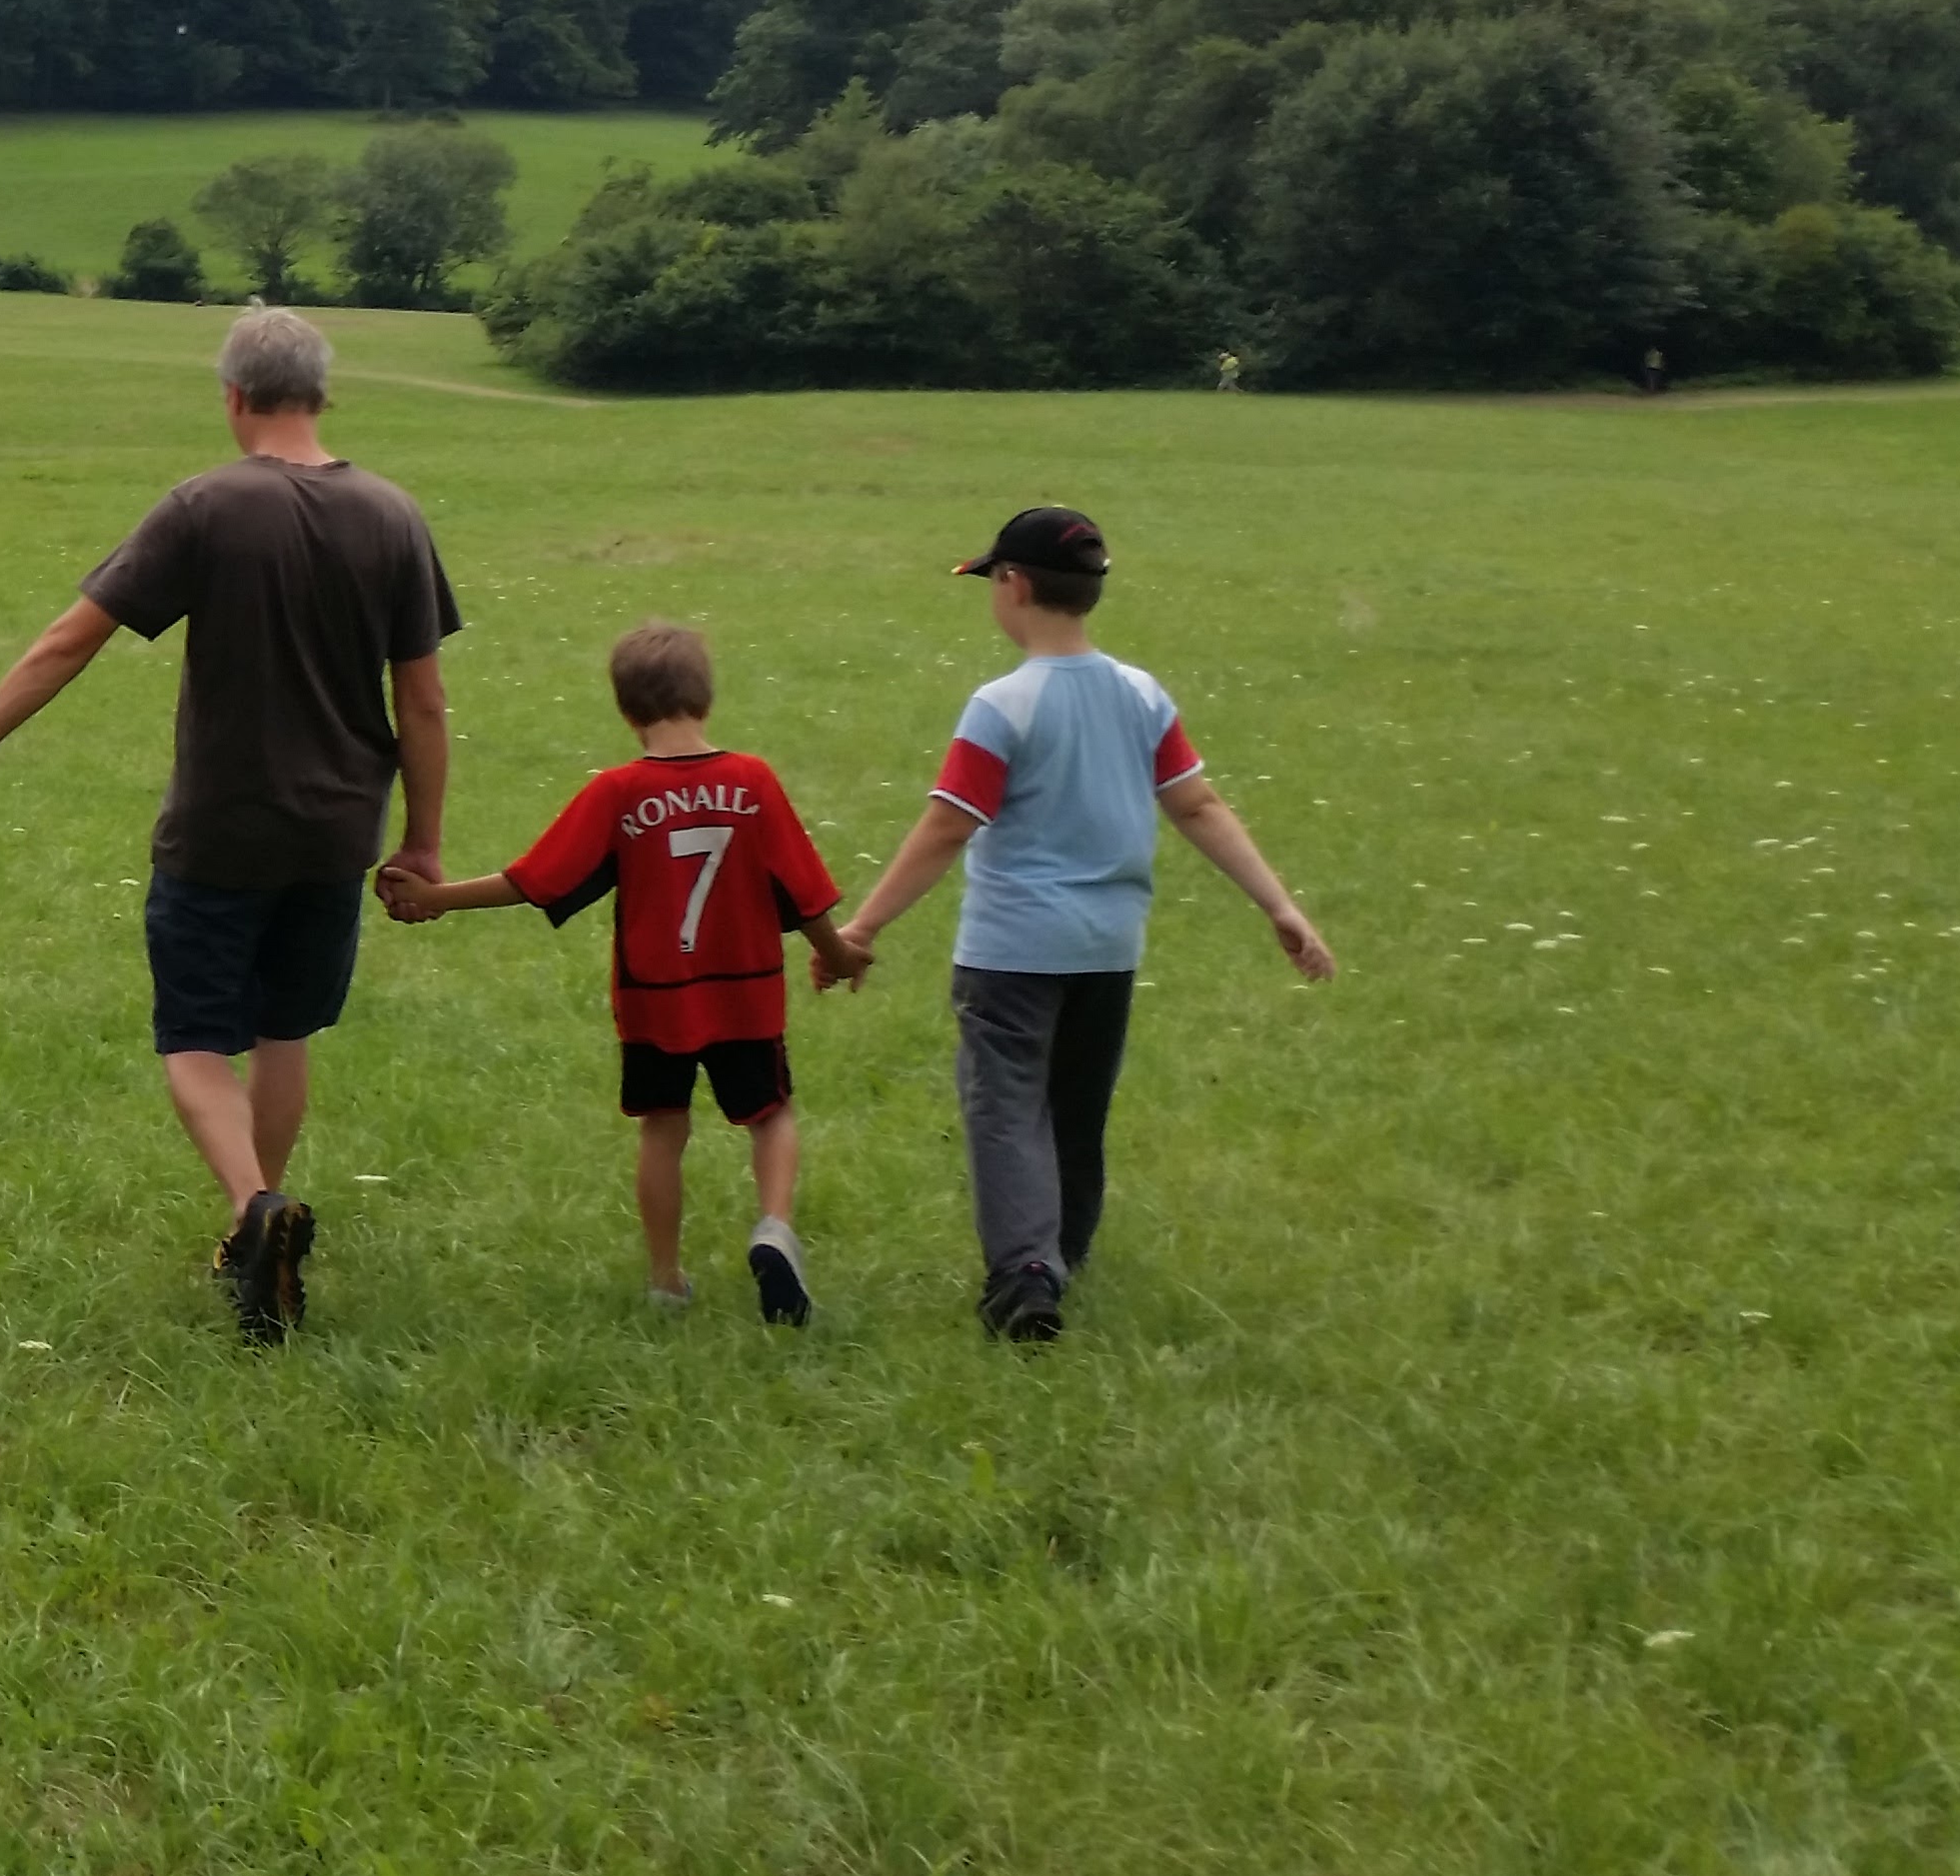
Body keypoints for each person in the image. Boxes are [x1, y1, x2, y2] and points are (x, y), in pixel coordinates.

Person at [0, 306, 459, 1341]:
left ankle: (252, 1209)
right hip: (337, 830)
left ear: (232, 396)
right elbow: (425, 704)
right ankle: (257, 1235)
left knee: (192, 1039)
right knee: (283, 1030)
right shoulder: (392, 516)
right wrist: (424, 841)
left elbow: (67, 642)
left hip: (221, 830)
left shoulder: (207, 506)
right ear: (321, 394)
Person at [840, 508, 1337, 1340]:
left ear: (1013, 585)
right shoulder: (1141, 695)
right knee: (1076, 1108)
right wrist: (1279, 905)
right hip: (1107, 950)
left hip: (1010, 950)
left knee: (1006, 1107)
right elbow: (1198, 805)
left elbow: (949, 824)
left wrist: (862, 927)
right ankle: (1062, 1252)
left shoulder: (1002, 705)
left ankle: (1025, 1275)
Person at [380, 623, 868, 1323]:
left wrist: (437, 898)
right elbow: (806, 894)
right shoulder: (753, 781)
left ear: (626, 710)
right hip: (747, 995)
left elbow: (534, 880)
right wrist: (838, 954)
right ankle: (774, 1228)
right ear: (706, 697)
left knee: (663, 1130)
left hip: (653, 1000)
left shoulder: (617, 792)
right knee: (771, 1114)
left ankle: (666, 1280)